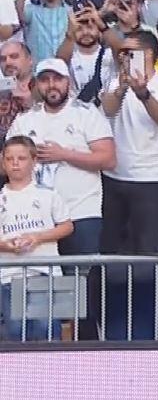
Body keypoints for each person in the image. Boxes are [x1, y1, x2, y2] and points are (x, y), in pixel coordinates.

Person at [6, 58, 114, 255]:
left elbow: (109, 160)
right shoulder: (24, 119)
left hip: (80, 212)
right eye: (44, 80)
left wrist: (64, 154)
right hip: (35, 217)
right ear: (36, 85)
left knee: (82, 272)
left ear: (68, 82)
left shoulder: (86, 113)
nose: (51, 85)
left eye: (57, 79)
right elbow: (5, 162)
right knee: (40, 273)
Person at [100, 30, 158, 253]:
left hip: (149, 178)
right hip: (114, 176)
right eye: (122, 52)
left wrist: (143, 93)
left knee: (146, 247)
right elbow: (108, 109)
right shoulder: (114, 81)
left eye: (129, 52)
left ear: (149, 53)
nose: (123, 56)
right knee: (110, 246)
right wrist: (123, 88)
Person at [0, 136, 72, 341]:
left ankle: (51, 363)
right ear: (3, 162)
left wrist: (37, 237)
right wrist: (7, 246)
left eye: (21, 158)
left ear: (34, 161)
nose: (15, 163)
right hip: (10, 275)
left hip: (44, 272)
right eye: (9, 159)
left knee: (45, 327)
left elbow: (67, 226)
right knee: (16, 330)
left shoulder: (48, 195)